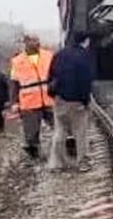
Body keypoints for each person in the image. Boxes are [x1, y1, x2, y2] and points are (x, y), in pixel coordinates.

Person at [46, 31, 96, 172]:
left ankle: (56, 163)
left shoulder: (59, 54)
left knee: (59, 131)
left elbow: (50, 76)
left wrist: (54, 95)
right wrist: (85, 101)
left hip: (60, 99)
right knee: (80, 132)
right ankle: (82, 162)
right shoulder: (84, 56)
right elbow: (85, 80)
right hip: (76, 100)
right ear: (86, 41)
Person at [9, 35, 55, 159]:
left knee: (60, 125)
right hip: (29, 101)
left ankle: (66, 147)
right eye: (31, 41)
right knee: (31, 131)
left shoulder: (48, 56)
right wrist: (14, 102)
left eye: (36, 40)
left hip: (49, 98)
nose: (35, 43)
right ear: (25, 43)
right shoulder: (17, 61)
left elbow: (57, 74)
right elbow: (14, 83)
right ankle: (33, 151)